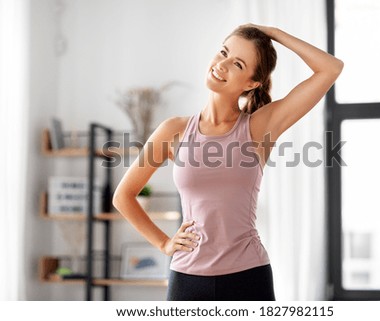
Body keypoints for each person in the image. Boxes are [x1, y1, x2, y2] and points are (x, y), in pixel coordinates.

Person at [112, 23, 343, 301]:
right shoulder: (173, 131)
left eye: (237, 63)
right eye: (223, 52)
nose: (222, 64)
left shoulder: (260, 127)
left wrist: (273, 33)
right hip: (187, 279)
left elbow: (330, 68)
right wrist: (164, 243)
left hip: (248, 277)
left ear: (252, 83)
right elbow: (123, 196)